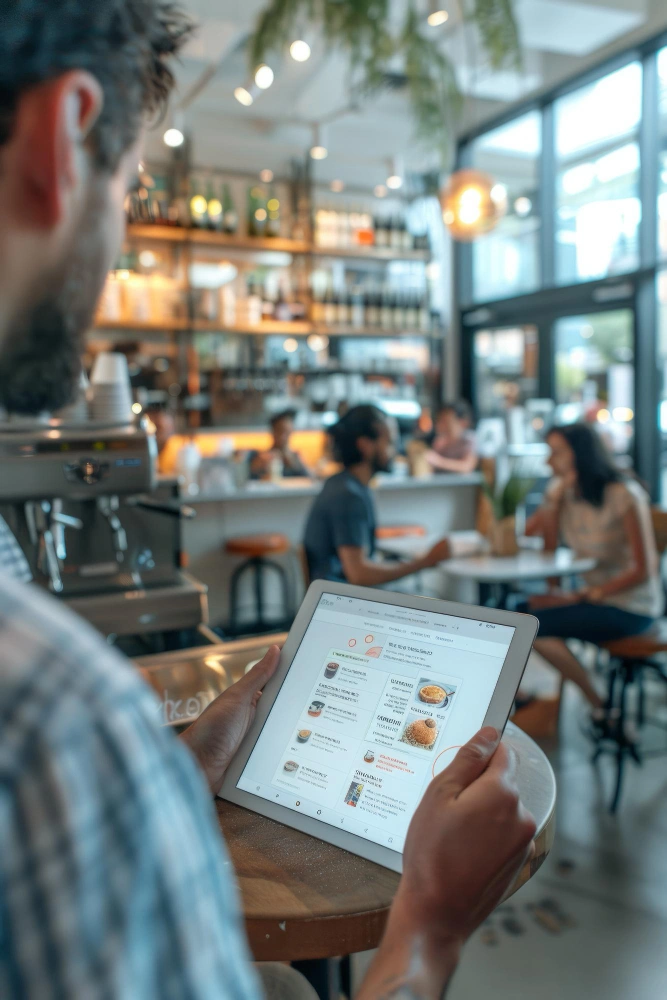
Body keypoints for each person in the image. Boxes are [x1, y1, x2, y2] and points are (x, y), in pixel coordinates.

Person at [0, 3, 536, 997]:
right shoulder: (57, 724)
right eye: (126, 185)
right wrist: (426, 922)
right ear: (61, 141)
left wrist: (177, 769)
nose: (116, 233)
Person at [524, 423, 663, 724]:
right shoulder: (566, 493)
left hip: (631, 606)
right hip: (592, 599)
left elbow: (645, 568)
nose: (549, 461)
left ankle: (599, 703)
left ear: (581, 454)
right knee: (516, 615)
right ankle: (582, 701)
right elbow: (537, 539)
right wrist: (552, 502)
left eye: (556, 452)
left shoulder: (624, 493)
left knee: (528, 625)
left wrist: (579, 595)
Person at [304, 405, 451, 585]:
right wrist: (425, 562)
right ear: (365, 445)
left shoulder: (342, 484)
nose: (394, 451)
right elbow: (359, 574)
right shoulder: (349, 496)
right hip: (339, 604)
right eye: (389, 442)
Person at [249, 409, 310, 479]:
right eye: (280, 431)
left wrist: (295, 463)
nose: (283, 437)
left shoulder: (295, 457)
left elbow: (309, 480)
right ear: (273, 432)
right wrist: (257, 466)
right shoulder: (260, 456)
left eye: (287, 432)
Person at [425, 400, 478, 474]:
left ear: (462, 422)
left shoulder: (469, 439)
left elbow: (467, 466)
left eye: (447, 421)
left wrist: (439, 461)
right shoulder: (440, 441)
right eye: (440, 420)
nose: (441, 425)